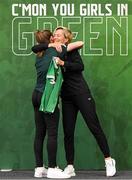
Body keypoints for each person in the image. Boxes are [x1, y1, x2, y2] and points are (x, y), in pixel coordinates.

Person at [32, 27, 116, 178]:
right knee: (68, 132)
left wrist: (63, 63)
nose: (55, 37)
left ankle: (109, 160)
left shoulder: (70, 50)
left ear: (65, 39)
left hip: (81, 93)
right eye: (54, 36)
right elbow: (36, 47)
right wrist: (50, 46)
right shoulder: (52, 50)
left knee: (94, 126)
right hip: (67, 97)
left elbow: (80, 66)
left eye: (58, 35)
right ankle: (70, 166)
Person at [32, 29, 83, 179]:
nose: (56, 38)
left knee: (40, 133)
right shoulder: (57, 51)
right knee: (52, 133)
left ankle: (39, 168)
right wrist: (55, 45)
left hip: (36, 95)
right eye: (53, 37)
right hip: (47, 96)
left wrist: (48, 45)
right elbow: (80, 43)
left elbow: (35, 48)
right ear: (50, 40)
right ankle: (53, 168)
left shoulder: (39, 54)